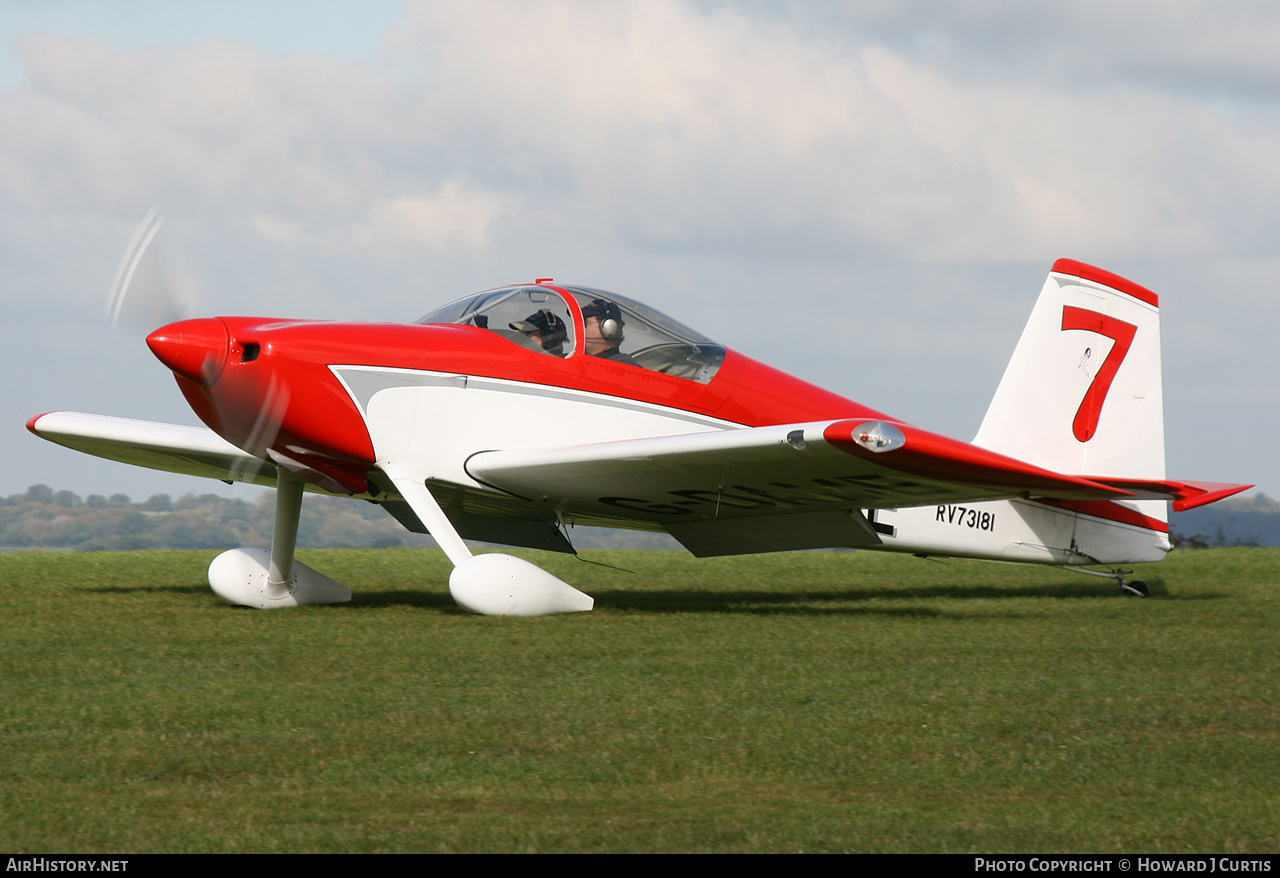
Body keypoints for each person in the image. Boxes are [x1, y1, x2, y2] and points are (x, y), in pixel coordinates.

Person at [581, 299, 639, 365]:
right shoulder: (583, 363)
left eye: (584, 323)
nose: (579, 327)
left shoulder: (623, 367)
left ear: (609, 328)